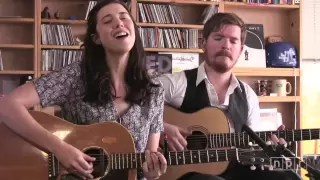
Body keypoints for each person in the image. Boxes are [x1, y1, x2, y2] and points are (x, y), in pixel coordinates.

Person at [0, 0, 167, 179]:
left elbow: (147, 161)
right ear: (96, 38)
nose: (119, 23)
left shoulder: (154, 91)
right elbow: (7, 105)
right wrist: (59, 149)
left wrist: (152, 173)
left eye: (124, 18)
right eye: (108, 21)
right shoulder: (75, 77)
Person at [158, 13, 301, 180]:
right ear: (203, 43)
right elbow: (131, 103)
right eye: (218, 38)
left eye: (233, 41)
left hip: (235, 171)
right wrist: (161, 128)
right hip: (183, 173)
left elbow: (250, 149)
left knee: (290, 178)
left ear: (240, 50)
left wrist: (270, 149)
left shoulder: (248, 96)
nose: (226, 45)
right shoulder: (177, 83)